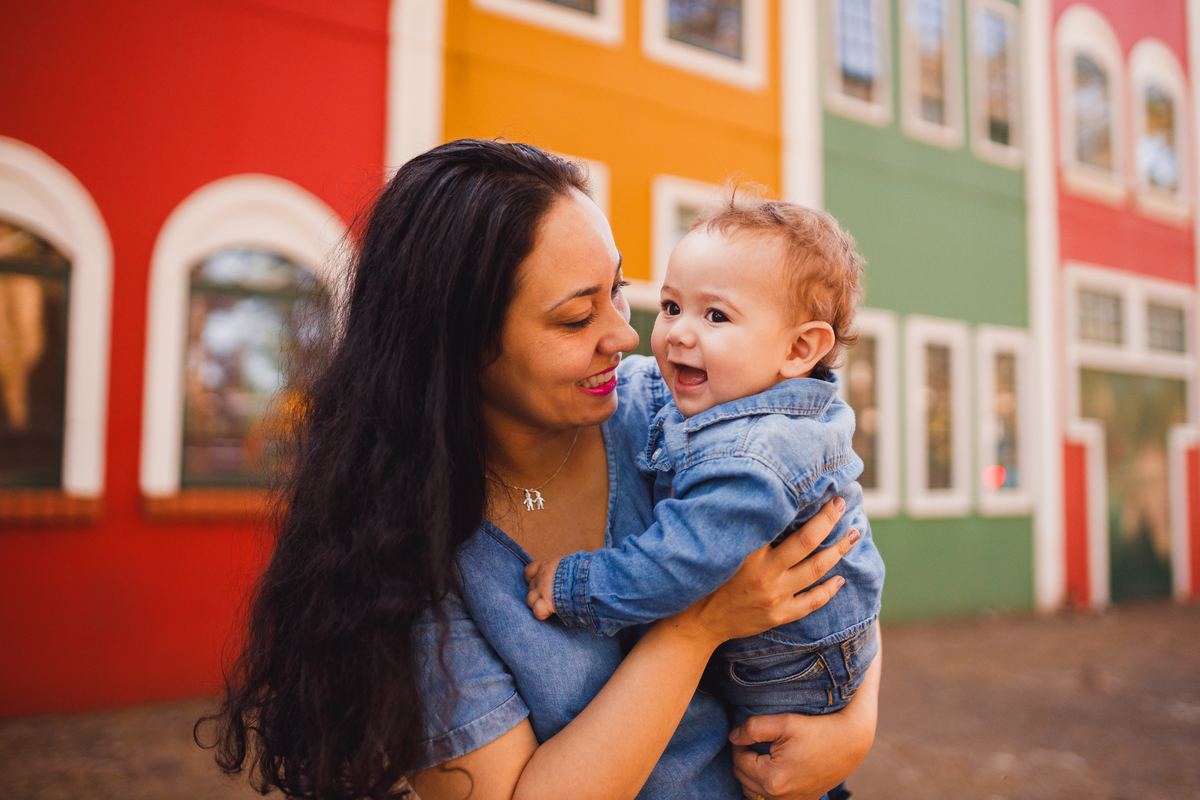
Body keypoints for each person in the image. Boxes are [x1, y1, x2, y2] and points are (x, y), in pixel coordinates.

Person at [205, 140, 881, 800]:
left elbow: (834, 547)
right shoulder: (411, 561)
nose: (624, 334)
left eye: (617, 290)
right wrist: (697, 626)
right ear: (461, 346)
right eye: (576, 317)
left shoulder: (667, 408)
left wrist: (852, 728)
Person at [524, 196, 884, 741]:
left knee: (767, 768)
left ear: (799, 348)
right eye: (671, 307)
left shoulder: (755, 459)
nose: (678, 335)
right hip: (796, 638)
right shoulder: (735, 387)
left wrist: (576, 586)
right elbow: (645, 380)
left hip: (795, 676)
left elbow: (676, 562)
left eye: (716, 316)